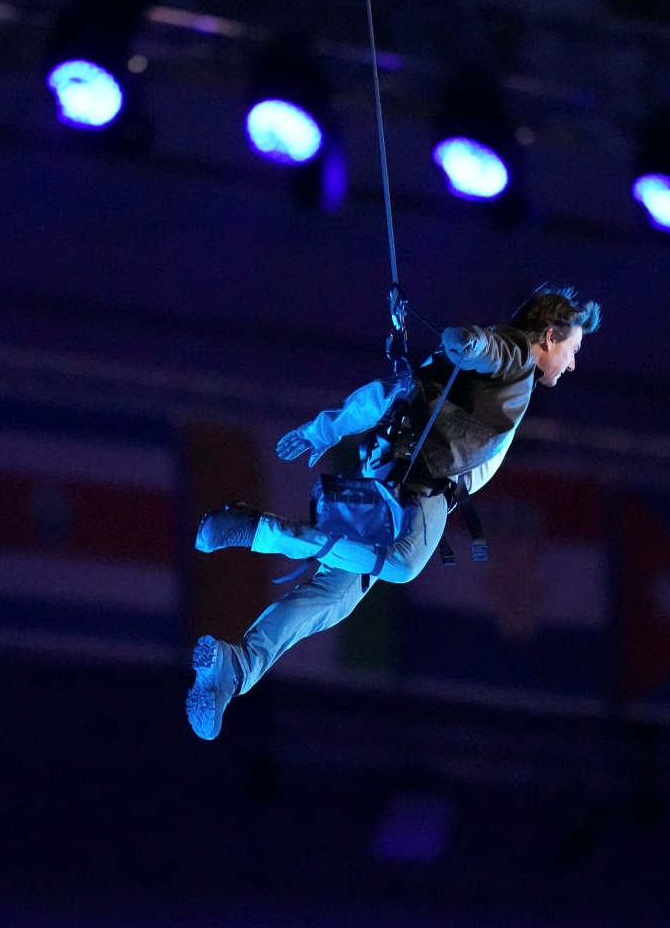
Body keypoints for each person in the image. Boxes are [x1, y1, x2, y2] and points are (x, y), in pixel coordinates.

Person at [186, 284, 601, 740]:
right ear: (548, 337)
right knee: (403, 564)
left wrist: (325, 429)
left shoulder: (462, 375)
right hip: (418, 487)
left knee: (333, 597)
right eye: (573, 348)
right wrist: (471, 343)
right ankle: (260, 529)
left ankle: (235, 668)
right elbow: (485, 347)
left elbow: (388, 393)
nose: (573, 363)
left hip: (383, 472)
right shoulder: (517, 357)